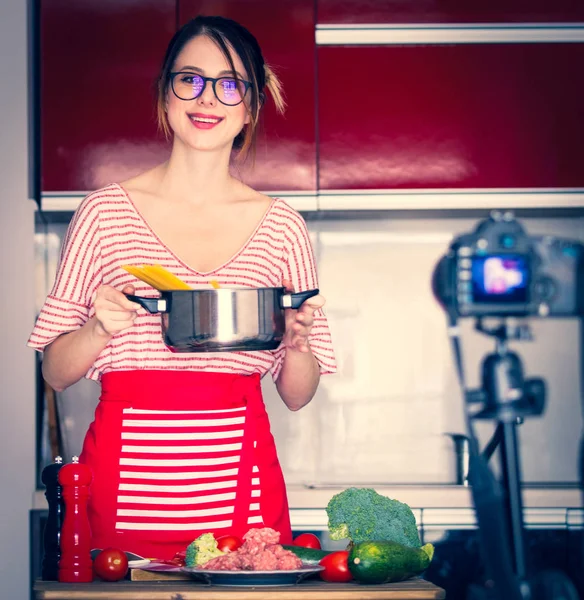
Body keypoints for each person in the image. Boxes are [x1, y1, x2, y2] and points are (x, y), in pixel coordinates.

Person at [28, 15, 336, 560]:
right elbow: (54, 372)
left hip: (242, 498)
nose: (206, 98)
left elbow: (297, 394)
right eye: (189, 79)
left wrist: (298, 341)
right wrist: (99, 327)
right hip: (124, 492)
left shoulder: (282, 226)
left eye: (229, 83)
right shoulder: (104, 214)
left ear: (251, 106)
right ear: (165, 94)